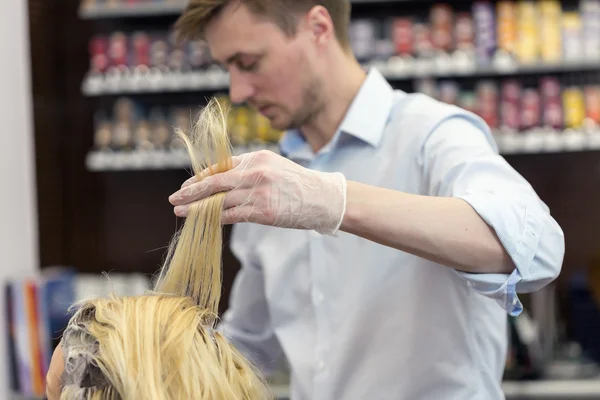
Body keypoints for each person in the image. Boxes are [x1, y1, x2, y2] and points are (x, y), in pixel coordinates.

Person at [46, 0, 564, 399]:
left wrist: (330, 202)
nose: (240, 90)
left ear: (318, 28)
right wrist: (117, 352)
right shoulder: (268, 180)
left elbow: (537, 248)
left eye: (249, 62)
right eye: (228, 67)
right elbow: (249, 345)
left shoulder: (431, 135)